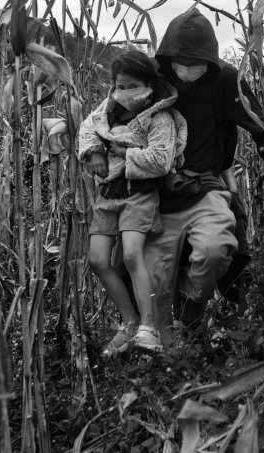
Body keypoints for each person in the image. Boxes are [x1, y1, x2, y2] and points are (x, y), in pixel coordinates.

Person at [145, 8, 264, 345]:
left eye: (196, 62)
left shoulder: (225, 81)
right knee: (155, 278)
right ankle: (171, 344)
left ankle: (193, 306)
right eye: (180, 61)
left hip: (206, 186)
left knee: (215, 250)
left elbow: (260, 124)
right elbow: (114, 114)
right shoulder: (153, 79)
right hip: (159, 193)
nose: (187, 69)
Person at [78, 50, 187, 356]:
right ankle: (129, 321)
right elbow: (89, 129)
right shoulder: (107, 111)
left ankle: (148, 327)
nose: (124, 93)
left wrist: (124, 152)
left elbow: (161, 160)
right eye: (119, 86)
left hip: (139, 194)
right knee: (98, 260)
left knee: (131, 255)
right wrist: (94, 152)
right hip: (108, 194)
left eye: (132, 85)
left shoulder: (160, 117)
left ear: (149, 84)